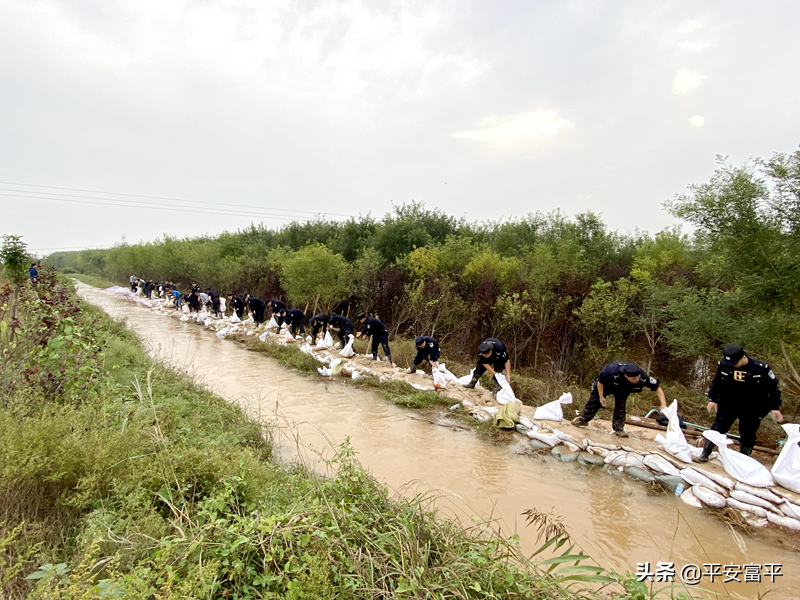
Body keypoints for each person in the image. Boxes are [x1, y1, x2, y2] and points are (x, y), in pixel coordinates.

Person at [697, 344, 783, 461]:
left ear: (743, 358)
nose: (733, 366)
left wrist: (775, 407)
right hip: (729, 403)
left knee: (748, 434)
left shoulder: (761, 368)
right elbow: (717, 382)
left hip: (752, 405)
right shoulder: (723, 365)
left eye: (735, 363)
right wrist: (713, 399)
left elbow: (773, 388)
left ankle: (743, 460)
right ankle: (705, 453)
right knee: (718, 427)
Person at [572, 362, 666, 437]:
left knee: (620, 408)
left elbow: (657, 387)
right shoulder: (611, 371)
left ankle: (618, 429)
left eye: (638, 377)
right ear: (626, 376)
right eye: (634, 378)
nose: (637, 379)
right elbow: (600, 382)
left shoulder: (643, 377)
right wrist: (601, 397)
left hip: (623, 389)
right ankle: (584, 420)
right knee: (594, 402)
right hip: (606, 385)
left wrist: (663, 404)